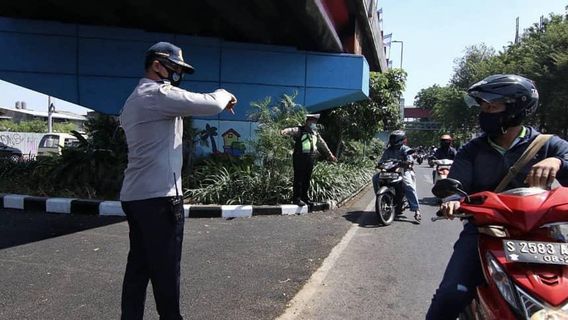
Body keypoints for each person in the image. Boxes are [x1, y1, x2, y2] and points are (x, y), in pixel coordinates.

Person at [426, 74, 568, 320]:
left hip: (543, 236)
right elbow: (454, 187)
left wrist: (558, 161)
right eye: (483, 107)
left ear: (515, 108)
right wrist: (451, 201)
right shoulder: (472, 150)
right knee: (451, 293)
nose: (485, 113)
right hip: (485, 232)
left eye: (492, 107)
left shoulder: (548, 144)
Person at [119, 41, 237, 320]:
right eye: (174, 68)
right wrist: (225, 93)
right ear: (157, 65)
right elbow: (210, 104)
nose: (177, 74)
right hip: (160, 198)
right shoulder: (158, 95)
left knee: (138, 268)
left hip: (134, 197)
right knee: (166, 270)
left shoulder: (134, 98)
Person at [281, 114, 337, 206]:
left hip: (310, 158)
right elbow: (291, 130)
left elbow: (323, 145)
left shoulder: (315, 133)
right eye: (312, 121)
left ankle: (304, 198)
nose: (314, 123)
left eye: (315, 122)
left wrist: (330, 155)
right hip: (299, 157)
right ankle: (297, 199)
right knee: (298, 178)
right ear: (307, 122)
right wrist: (284, 131)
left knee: (307, 179)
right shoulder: (300, 130)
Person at [372, 130, 421, 222]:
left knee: (409, 185)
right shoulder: (388, 150)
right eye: (392, 138)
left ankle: (416, 210)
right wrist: (379, 164)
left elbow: (409, 158)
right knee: (375, 178)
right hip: (389, 171)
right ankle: (380, 200)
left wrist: (407, 163)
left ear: (400, 139)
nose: (392, 140)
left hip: (402, 170)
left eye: (394, 138)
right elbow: (382, 160)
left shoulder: (405, 149)